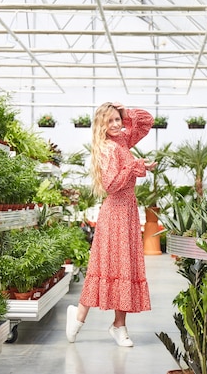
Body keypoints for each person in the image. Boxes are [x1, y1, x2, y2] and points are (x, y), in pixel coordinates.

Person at [66, 102, 157, 347]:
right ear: (102, 126)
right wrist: (137, 166)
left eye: (119, 120)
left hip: (127, 211)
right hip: (114, 212)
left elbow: (146, 121)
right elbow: (111, 184)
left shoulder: (123, 141)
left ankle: (119, 326)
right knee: (105, 265)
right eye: (111, 121)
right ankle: (78, 317)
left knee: (124, 268)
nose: (117, 124)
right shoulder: (107, 148)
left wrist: (125, 111)